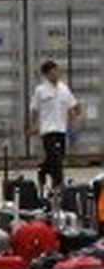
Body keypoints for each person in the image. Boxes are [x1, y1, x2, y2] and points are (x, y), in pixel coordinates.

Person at [30, 59, 81, 196]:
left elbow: (72, 105)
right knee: (56, 161)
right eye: (52, 72)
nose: (56, 74)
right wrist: (33, 125)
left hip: (61, 130)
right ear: (46, 75)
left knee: (59, 157)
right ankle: (58, 187)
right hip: (48, 130)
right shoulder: (40, 90)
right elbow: (34, 109)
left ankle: (43, 169)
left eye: (57, 71)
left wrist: (75, 119)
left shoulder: (64, 88)